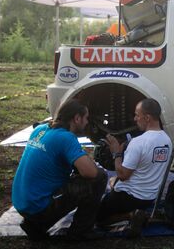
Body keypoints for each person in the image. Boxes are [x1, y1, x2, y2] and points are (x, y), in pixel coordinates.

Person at [12, 99, 107, 241]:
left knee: (75, 175)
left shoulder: (40, 129)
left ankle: (35, 225)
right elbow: (91, 172)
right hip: (39, 206)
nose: (87, 122)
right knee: (100, 177)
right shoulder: (66, 137)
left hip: (22, 202)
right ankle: (80, 232)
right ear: (76, 118)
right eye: (86, 118)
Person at [97, 98, 172, 237]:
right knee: (113, 181)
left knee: (96, 218)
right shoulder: (167, 140)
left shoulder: (138, 142)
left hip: (129, 198)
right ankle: (139, 213)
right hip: (149, 197)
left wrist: (116, 153)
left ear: (147, 117)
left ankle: (131, 215)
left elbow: (123, 175)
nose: (135, 119)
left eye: (137, 115)